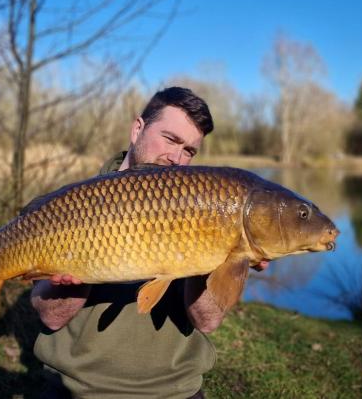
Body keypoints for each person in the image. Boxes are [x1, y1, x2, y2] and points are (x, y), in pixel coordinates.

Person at [31, 87, 268, 399]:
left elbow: (207, 321)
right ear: (137, 128)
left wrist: (211, 254)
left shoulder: (209, 212)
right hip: (78, 388)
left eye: (189, 151)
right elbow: (51, 316)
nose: (176, 158)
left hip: (174, 392)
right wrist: (75, 276)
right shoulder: (70, 206)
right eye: (170, 139)